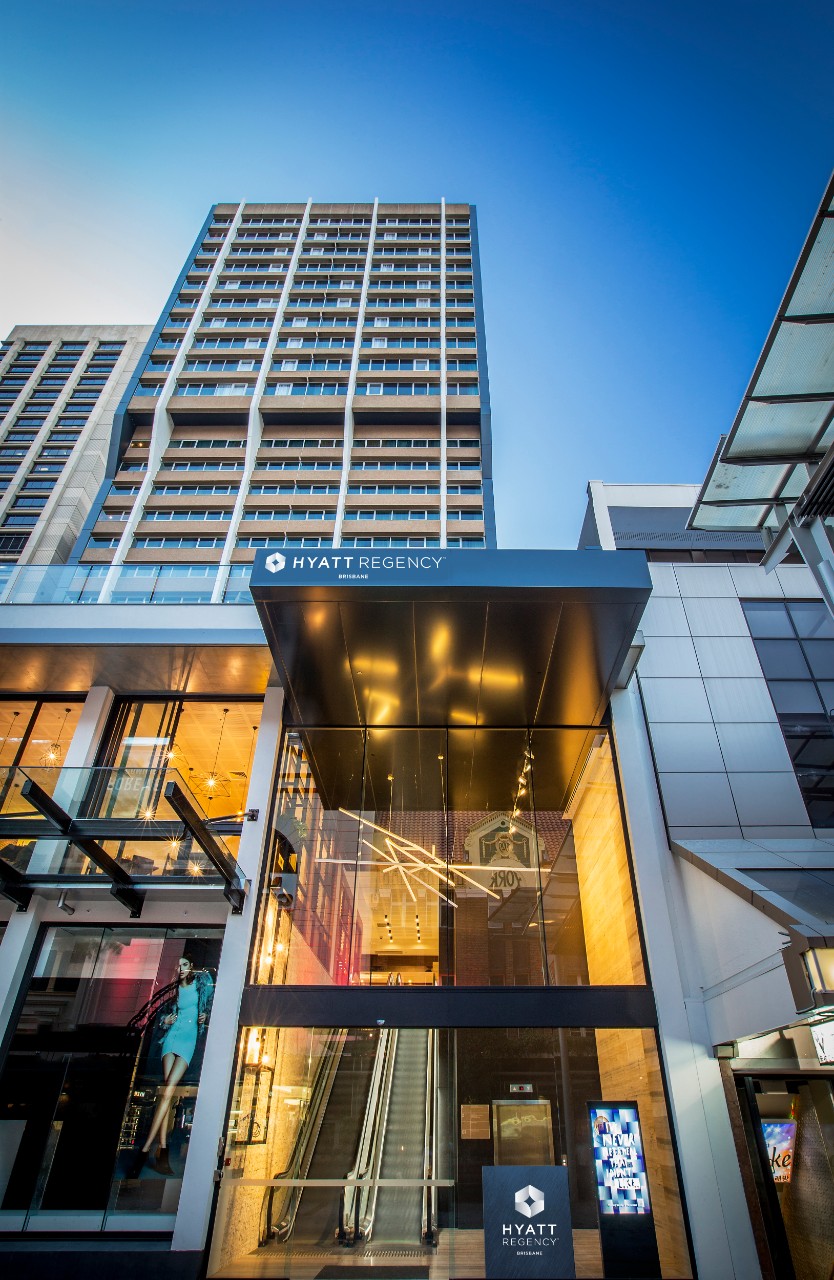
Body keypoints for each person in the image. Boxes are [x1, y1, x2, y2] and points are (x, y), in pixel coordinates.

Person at [128, 955, 214, 1177]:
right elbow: (162, 1013)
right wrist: (165, 1021)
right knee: (167, 1092)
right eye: (178, 966)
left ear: (191, 966)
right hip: (172, 1037)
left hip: (188, 1039)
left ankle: (146, 1150)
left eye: (185, 965)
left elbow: (210, 1008)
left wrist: (205, 1017)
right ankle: (162, 1153)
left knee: (167, 1093)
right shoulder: (174, 990)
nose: (181, 969)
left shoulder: (202, 984)